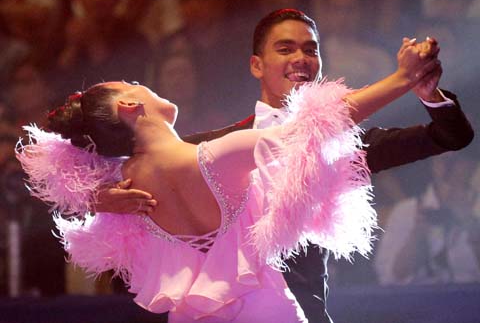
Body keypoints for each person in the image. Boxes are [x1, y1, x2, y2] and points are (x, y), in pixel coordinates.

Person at [18, 35, 443, 322]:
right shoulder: (218, 156)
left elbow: (54, 185)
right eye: (132, 83)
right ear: (130, 106)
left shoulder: (121, 191)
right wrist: (403, 77)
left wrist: (95, 199)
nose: (142, 83)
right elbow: (322, 122)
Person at [374, 152, 480, 285]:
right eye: (443, 160)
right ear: (432, 163)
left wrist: (470, 221)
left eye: (456, 160)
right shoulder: (406, 211)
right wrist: (419, 232)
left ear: (471, 164)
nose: (448, 168)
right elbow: (390, 277)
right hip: (419, 301)